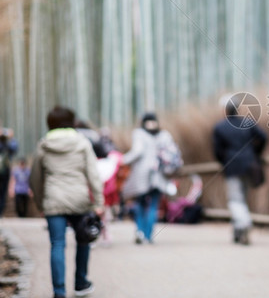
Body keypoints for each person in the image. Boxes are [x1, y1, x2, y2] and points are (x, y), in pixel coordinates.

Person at [29, 106, 104, 298]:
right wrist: (99, 202)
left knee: (57, 244)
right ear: (72, 122)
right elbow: (94, 174)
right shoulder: (82, 142)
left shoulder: (43, 145)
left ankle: (59, 292)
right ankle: (80, 283)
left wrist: (40, 203)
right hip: (79, 199)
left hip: (53, 200)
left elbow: (35, 178)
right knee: (83, 240)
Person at [213, 96, 267, 245]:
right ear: (237, 108)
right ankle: (238, 233)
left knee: (235, 199)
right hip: (250, 165)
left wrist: (223, 162)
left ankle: (243, 223)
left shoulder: (220, 127)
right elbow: (264, 137)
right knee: (242, 197)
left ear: (225, 110)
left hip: (232, 166)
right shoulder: (247, 122)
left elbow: (217, 151)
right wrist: (256, 153)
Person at [121, 112, 178, 244]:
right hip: (159, 175)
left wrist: (121, 160)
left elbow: (137, 151)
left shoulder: (139, 134)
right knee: (153, 205)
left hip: (143, 175)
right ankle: (149, 235)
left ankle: (140, 232)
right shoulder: (165, 135)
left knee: (140, 204)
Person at [0, 127, 18, 217]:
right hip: (4, 171)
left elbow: (14, 150)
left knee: (3, 192)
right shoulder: (6, 144)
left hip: (4, 171)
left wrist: (11, 138)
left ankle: (0, 212)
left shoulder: (7, 144)